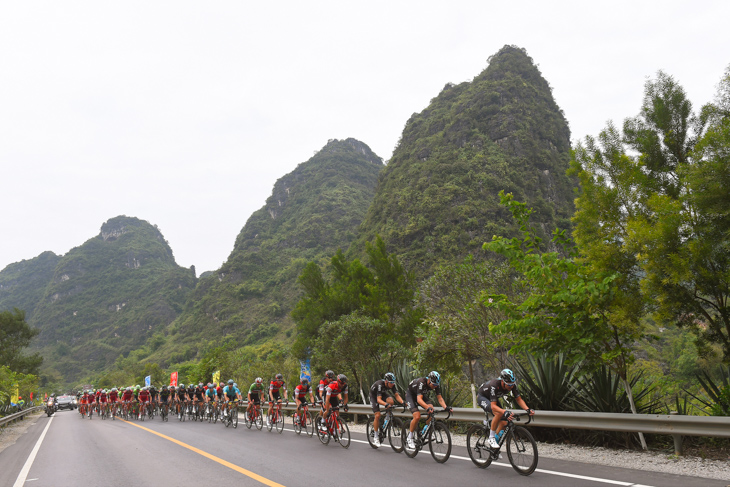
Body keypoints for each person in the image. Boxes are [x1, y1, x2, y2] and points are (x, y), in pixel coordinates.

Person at [478, 368, 534, 449]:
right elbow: (493, 406)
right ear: (502, 381)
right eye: (509, 384)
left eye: (512, 384)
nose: (511, 386)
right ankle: (491, 438)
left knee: (504, 423)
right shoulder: (494, 385)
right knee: (499, 413)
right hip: (483, 397)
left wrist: (527, 409)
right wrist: (504, 411)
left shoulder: (512, 385)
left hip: (493, 399)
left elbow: (518, 399)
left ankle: (493, 449)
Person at [405, 371, 451, 449]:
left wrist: (445, 407)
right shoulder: (421, 382)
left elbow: (439, 398)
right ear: (429, 380)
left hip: (420, 395)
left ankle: (424, 431)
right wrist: (427, 407)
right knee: (417, 416)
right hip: (411, 396)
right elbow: (419, 400)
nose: (434, 387)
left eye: (436, 385)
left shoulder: (436, 384)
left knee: (431, 410)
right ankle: (410, 437)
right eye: (433, 385)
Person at [370, 372, 405, 447]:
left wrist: (403, 402)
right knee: (377, 415)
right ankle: (376, 437)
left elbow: (396, 395)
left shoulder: (392, 385)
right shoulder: (380, 385)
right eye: (391, 382)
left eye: (393, 382)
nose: (392, 384)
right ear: (386, 381)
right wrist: (385, 404)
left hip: (382, 394)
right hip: (374, 396)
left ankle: (387, 418)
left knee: (391, 401)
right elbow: (378, 400)